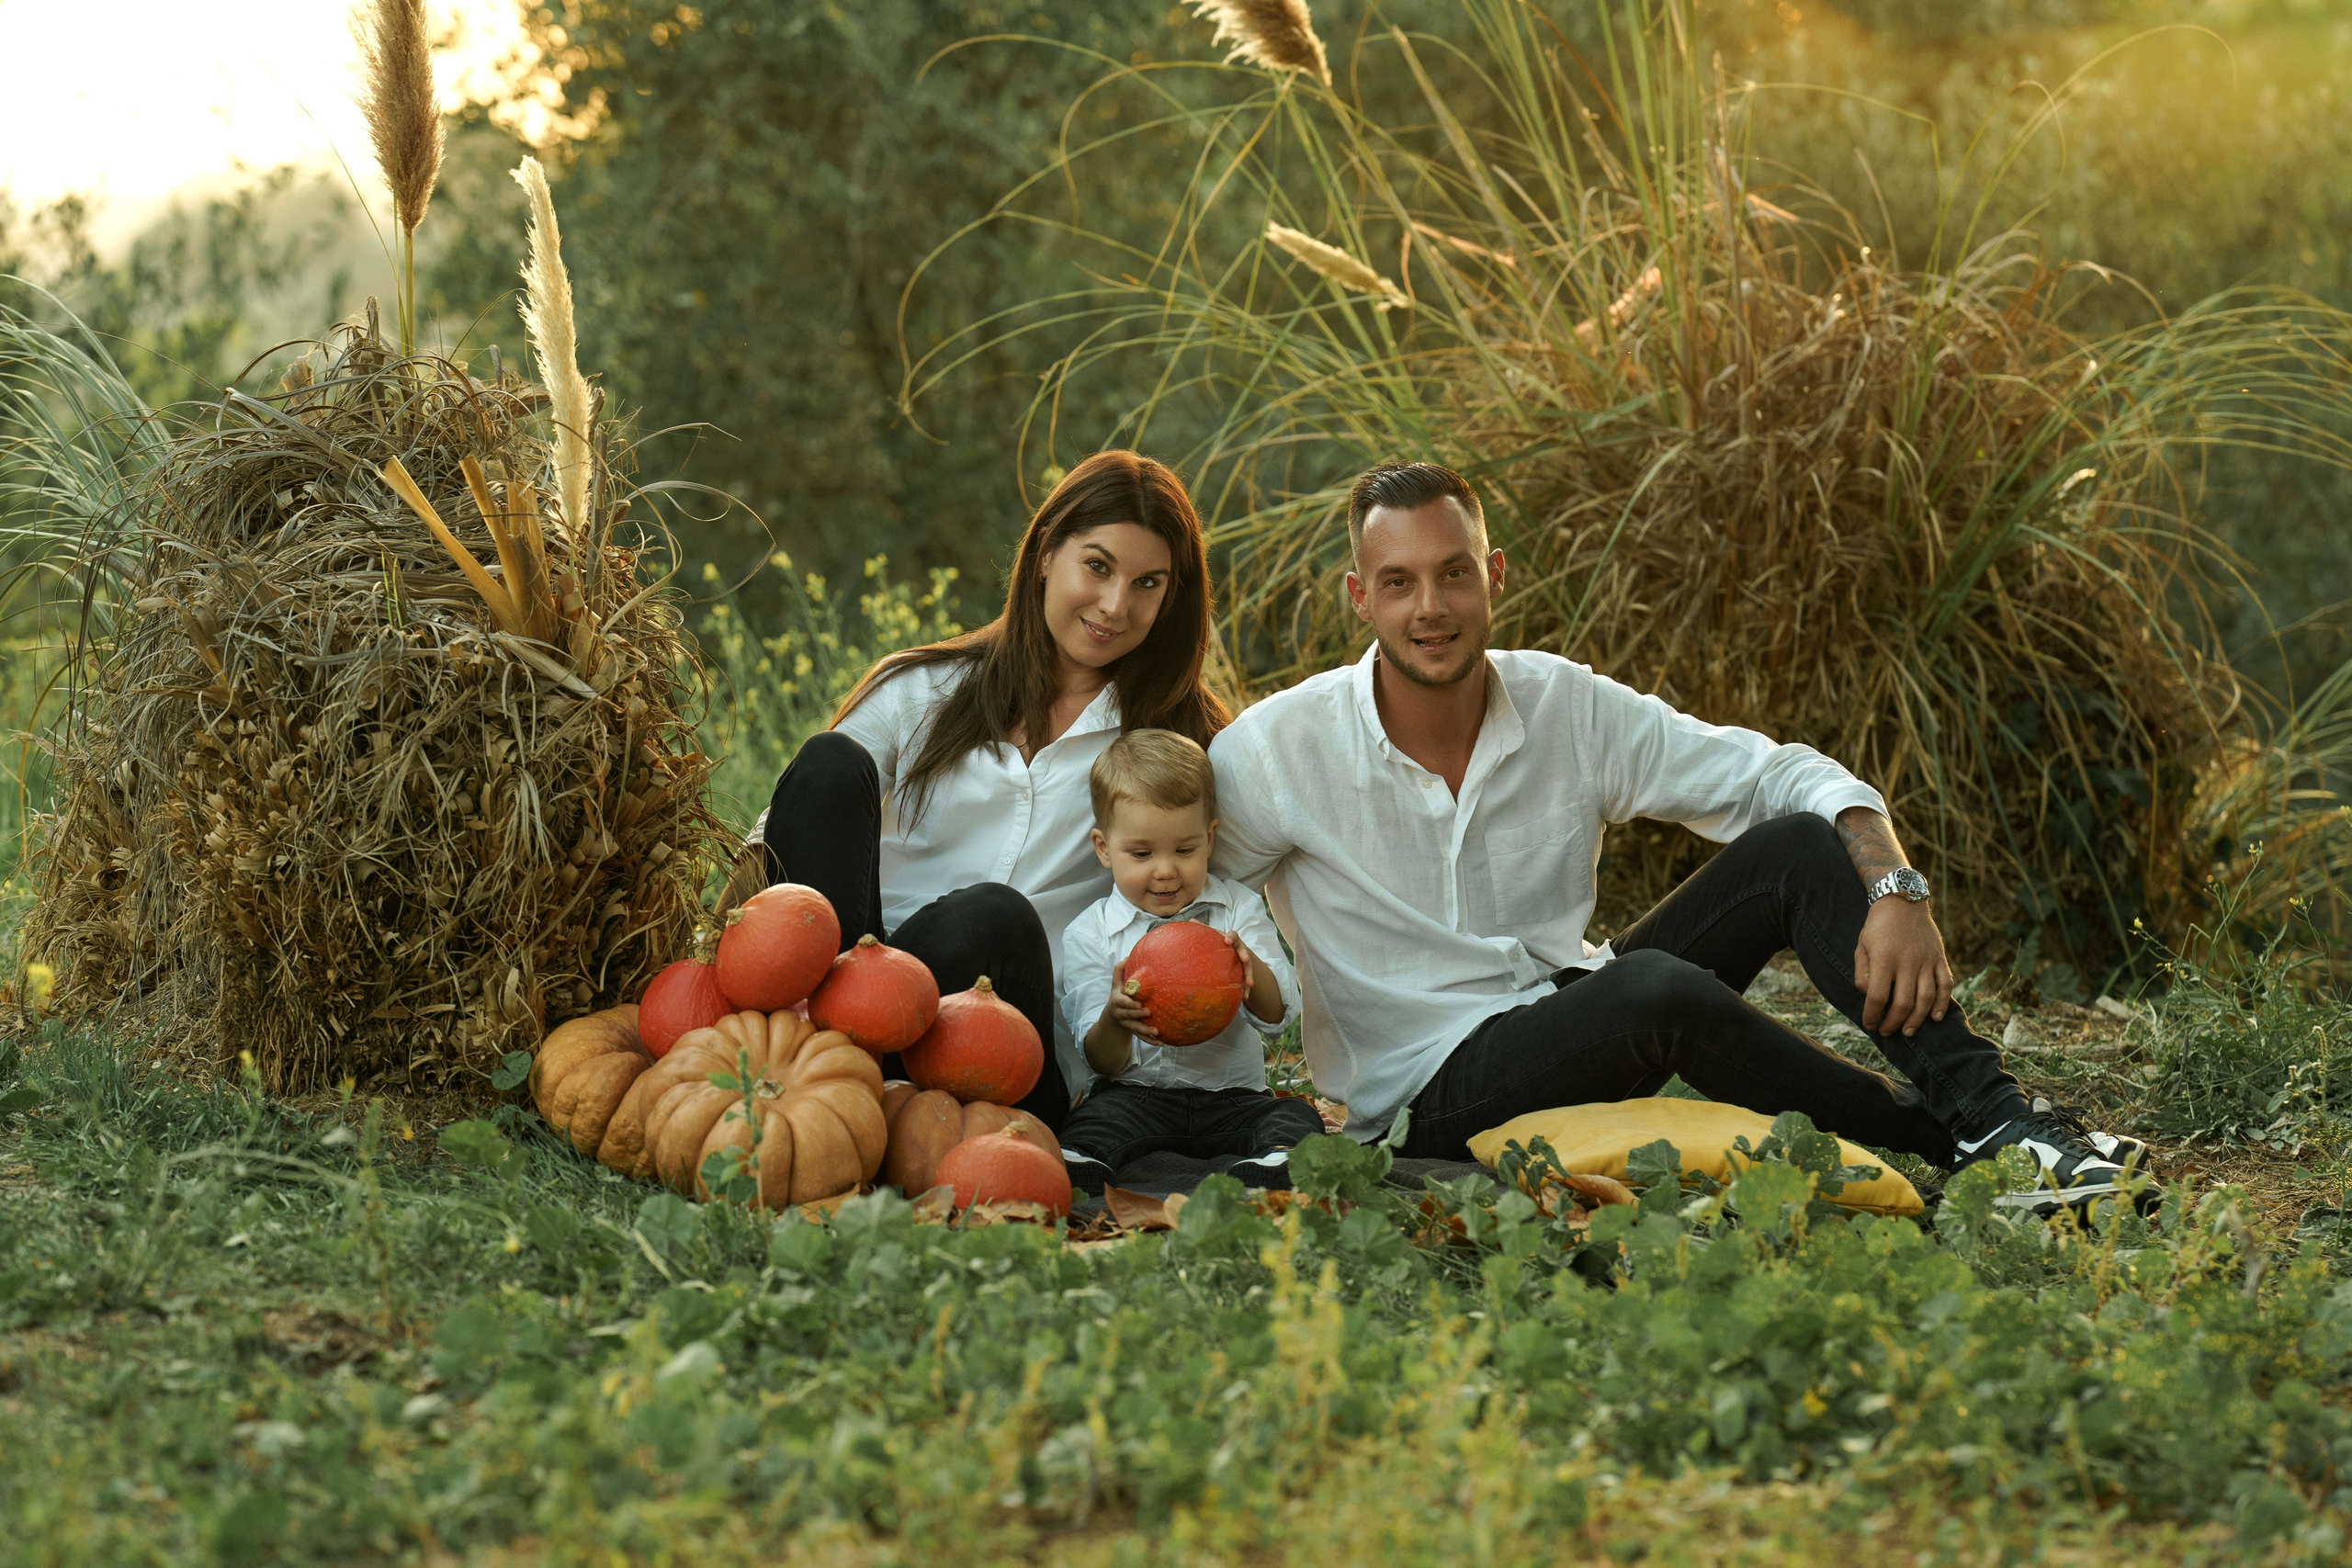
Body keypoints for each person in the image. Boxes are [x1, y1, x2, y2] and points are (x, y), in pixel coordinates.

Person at [1207, 460, 2146, 1210]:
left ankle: (1994, 1118)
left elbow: (1777, 775)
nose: (1430, 608)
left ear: (1491, 576)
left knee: (1794, 847)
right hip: (1425, 1098)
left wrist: (1896, 887)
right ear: (1358, 598)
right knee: (1651, 993)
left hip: (1561, 1008)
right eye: (1398, 582)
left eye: (1453, 573)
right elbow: (1194, 889)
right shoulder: (1279, 751)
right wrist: (1254, 984)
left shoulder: (1561, 703)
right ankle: (1957, 1141)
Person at [732, 451, 1230, 1134]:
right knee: (827, 760)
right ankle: (834, 1072)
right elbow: (796, 820)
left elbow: (1252, 868)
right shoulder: (924, 690)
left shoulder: (1178, 743)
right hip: (868, 993)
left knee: (994, 915)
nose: (1117, 605)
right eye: (1097, 565)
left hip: (1012, 1042)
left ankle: (835, 1090)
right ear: (1046, 554)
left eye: (1148, 582)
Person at [1055, 729, 1317, 1193]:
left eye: (1184, 850)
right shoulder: (1089, 933)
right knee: (1094, 1120)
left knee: (1293, 1114)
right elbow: (1101, 1060)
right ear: (1103, 848)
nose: (1165, 870)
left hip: (1233, 1099)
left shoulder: (1237, 909)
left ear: (1210, 839)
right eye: (1141, 853)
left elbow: (1279, 1017)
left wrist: (1244, 964)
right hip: (1136, 1098)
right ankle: (1082, 1165)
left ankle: (1276, 1163)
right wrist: (1117, 1017)